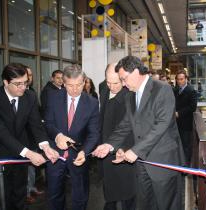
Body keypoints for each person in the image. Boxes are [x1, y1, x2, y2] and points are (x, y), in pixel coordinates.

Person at [93, 56, 184, 210]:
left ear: (135, 72)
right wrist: (109, 145)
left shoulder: (162, 88)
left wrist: (135, 150)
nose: (123, 84)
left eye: (123, 79)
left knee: (166, 205)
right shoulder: (130, 95)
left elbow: (161, 125)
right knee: (145, 205)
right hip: (142, 165)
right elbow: (126, 125)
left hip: (163, 163)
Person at [0, 63, 59, 210]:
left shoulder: (29, 96)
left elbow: (36, 125)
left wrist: (46, 147)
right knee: (4, 201)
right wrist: (29, 153)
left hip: (20, 159)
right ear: (6, 82)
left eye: (25, 82)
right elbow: (0, 132)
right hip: (0, 158)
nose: (23, 87)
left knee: (21, 198)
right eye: (18, 84)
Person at [44, 64, 100, 210]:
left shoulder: (92, 103)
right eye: (70, 85)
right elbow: (48, 123)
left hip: (79, 153)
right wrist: (58, 136)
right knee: (54, 194)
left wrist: (85, 151)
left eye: (78, 85)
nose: (75, 89)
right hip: (55, 154)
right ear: (63, 83)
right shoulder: (52, 97)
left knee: (80, 195)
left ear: (84, 82)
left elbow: (94, 133)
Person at [100, 63, 136, 210]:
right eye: (108, 82)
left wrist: (122, 148)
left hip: (124, 147)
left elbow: (130, 128)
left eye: (115, 82)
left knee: (127, 192)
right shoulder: (103, 88)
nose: (111, 86)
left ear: (123, 79)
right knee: (110, 191)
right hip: (105, 147)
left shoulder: (131, 94)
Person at [25, 66, 45, 203]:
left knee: (31, 167)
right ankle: (25, 193)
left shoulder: (31, 92)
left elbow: (36, 115)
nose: (29, 78)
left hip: (33, 136)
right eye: (27, 75)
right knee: (24, 167)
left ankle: (31, 187)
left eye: (31, 75)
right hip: (23, 138)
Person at [174, 70, 197, 166]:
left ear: (186, 79)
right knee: (178, 144)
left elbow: (193, 107)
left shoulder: (191, 90)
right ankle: (179, 164)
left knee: (186, 146)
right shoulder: (175, 89)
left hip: (186, 124)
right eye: (178, 79)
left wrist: (179, 113)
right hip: (176, 123)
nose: (180, 81)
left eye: (181, 79)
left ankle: (186, 166)